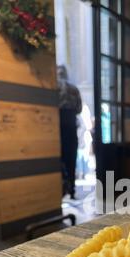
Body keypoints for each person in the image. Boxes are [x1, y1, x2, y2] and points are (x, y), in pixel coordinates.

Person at [57, 65, 82, 199]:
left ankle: (61, 190)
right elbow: (79, 109)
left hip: (57, 126)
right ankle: (71, 189)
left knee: (58, 160)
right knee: (71, 159)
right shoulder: (74, 89)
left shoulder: (53, 87)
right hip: (71, 126)